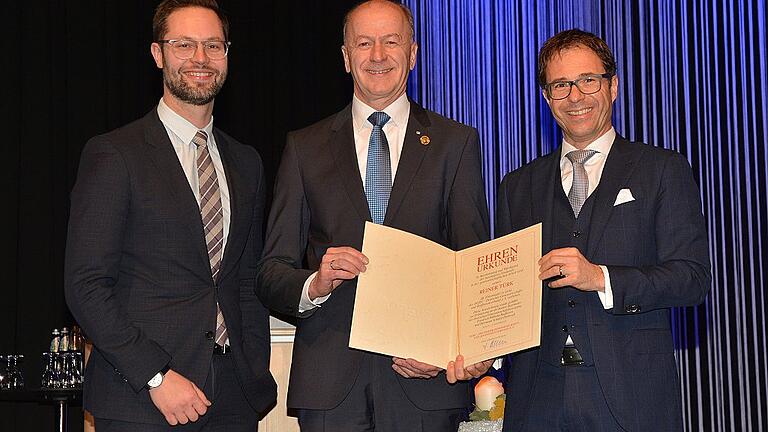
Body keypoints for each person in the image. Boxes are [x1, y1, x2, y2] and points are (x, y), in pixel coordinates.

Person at [257, 0, 494, 430]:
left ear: (414, 53)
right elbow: (271, 272)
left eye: (391, 41)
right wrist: (316, 283)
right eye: (364, 43)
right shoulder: (304, 148)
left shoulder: (455, 144)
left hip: (425, 383)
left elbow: (473, 267)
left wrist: (446, 348)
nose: (378, 55)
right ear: (346, 57)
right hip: (331, 387)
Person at [64, 1, 276, 430]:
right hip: (141, 400)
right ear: (158, 54)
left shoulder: (246, 162)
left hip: (233, 397)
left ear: (227, 55)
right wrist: (155, 376)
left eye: (213, 45)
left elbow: (247, 280)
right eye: (184, 45)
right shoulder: (114, 154)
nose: (200, 58)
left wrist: (253, 368)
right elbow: (85, 286)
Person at [496, 29, 711, 431]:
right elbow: (505, 293)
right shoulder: (516, 186)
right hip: (536, 401)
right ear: (547, 97)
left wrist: (601, 278)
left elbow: (691, 279)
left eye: (588, 80)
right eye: (560, 85)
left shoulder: (661, 170)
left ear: (613, 86)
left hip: (631, 398)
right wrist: (483, 348)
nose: (575, 97)